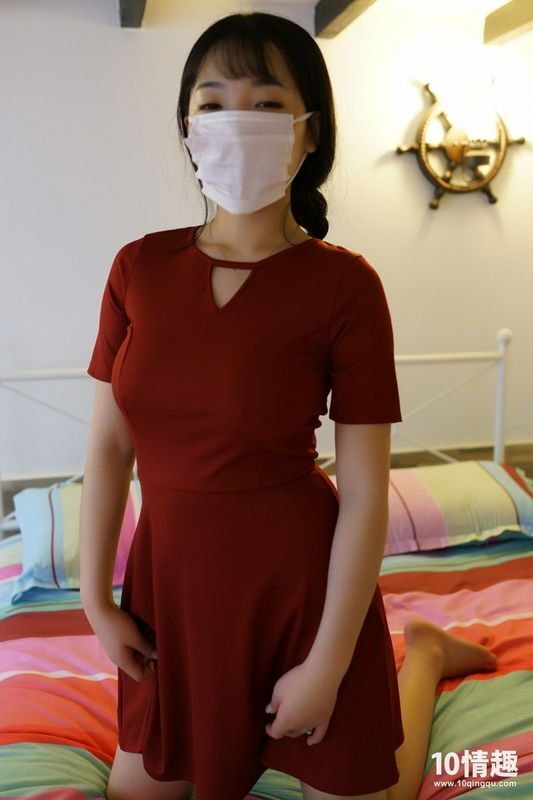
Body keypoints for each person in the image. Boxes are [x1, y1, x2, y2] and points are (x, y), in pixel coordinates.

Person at [79, 11, 498, 800]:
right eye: (212, 101)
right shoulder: (137, 269)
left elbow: (366, 491)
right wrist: (95, 599)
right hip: (171, 592)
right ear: (187, 127)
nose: (236, 119)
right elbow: (107, 447)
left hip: (303, 593)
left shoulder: (345, 285)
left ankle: (423, 655)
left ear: (310, 133)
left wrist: (328, 664)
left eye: (266, 102)